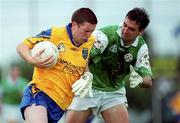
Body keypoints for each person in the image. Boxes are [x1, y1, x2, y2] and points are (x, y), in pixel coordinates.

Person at [66, 7, 153, 123]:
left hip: (113, 93)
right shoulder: (104, 36)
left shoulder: (141, 48)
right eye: (124, 25)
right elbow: (82, 55)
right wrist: (87, 74)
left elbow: (149, 81)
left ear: (140, 32)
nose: (125, 30)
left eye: (131, 29)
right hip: (89, 88)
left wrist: (140, 80)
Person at [16, 7, 97, 123]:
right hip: (39, 93)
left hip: (61, 106)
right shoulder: (55, 34)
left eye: (92, 31)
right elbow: (22, 46)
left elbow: (85, 63)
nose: (89, 35)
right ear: (74, 25)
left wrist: (88, 74)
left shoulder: (91, 42)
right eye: (86, 31)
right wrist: (32, 59)